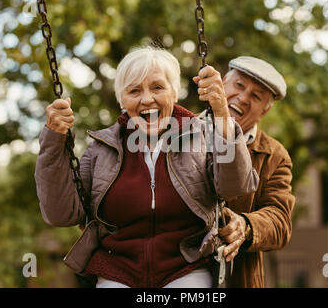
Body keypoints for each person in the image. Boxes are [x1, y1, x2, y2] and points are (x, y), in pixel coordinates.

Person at [34, 47, 259, 288]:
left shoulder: (202, 135)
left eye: (157, 88)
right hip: (117, 271)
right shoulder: (101, 149)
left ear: (174, 92)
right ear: (122, 100)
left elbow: (234, 186)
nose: (146, 99)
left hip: (186, 268)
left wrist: (222, 114)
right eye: (134, 90)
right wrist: (54, 140)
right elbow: (61, 214)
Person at [194, 56, 295, 287]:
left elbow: (280, 221)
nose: (243, 98)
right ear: (223, 84)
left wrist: (245, 226)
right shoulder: (179, 132)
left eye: (256, 96)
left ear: (264, 112)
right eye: (239, 85)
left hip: (236, 279)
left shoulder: (274, 155)